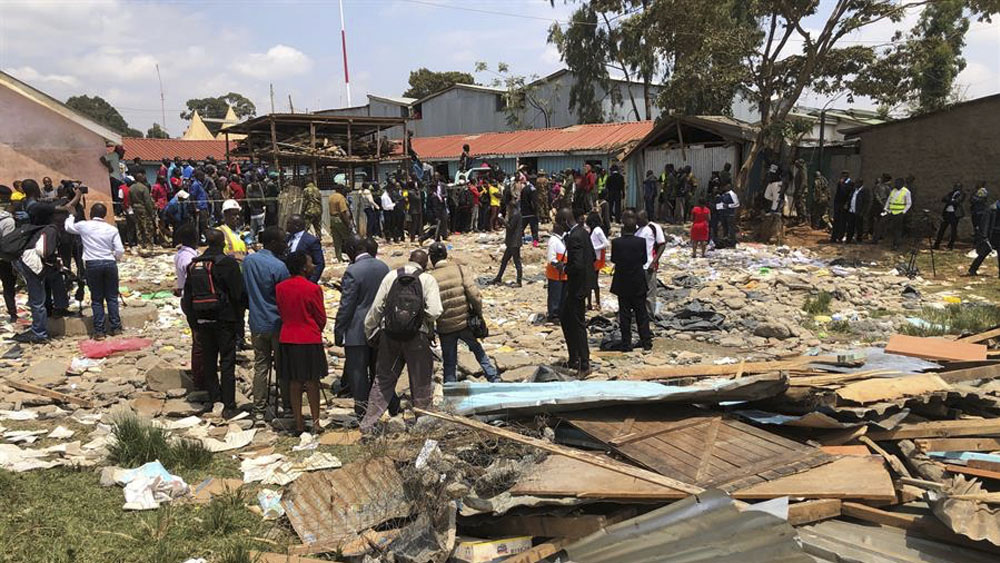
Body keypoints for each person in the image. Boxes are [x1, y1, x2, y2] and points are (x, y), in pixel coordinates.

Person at [361, 249, 443, 434]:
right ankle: (423, 425)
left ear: (409, 260)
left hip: (390, 336)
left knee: (383, 380)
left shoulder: (391, 276)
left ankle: (368, 425)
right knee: (421, 381)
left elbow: (377, 307)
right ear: (425, 264)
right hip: (418, 338)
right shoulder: (427, 279)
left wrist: (369, 330)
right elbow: (436, 311)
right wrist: (419, 317)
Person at [181, 229, 244, 414]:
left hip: (202, 320)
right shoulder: (227, 264)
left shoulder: (194, 265)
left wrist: (193, 324)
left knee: (209, 361)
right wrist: (239, 319)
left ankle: (212, 398)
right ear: (223, 243)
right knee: (227, 361)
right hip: (225, 319)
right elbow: (237, 293)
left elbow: (188, 297)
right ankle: (229, 405)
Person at [10, 186, 82, 343]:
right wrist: (76, 196)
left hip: (35, 259)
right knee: (38, 299)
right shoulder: (50, 228)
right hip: (33, 262)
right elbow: (43, 251)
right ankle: (39, 333)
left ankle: (59, 309)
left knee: (55, 280)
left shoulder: (32, 212)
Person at [335, 236, 394, 420]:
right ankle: (388, 404)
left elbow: (347, 304)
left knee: (358, 372)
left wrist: (339, 329)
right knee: (379, 370)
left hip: (357, 328)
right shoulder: (383, 267)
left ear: (353, 250)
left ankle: (362, 411)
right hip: (380, 326)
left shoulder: (353, 271)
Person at [428, 242, 499, 384]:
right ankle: (493, 377)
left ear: (432, 258)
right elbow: (475, 296)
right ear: (446, 255)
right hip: (464, 322)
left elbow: (430, 308)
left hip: (445, 327)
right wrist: (479, 314)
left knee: (449, 362)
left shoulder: (430, 278)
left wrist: (430, 331)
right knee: (478, 350)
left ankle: (451, 390)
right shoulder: (459, 270)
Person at [274, 251, 327, 435]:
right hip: (309, 338)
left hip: (288, 337)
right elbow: (321, 317)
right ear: (304, 267)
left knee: (294, 382)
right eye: (311, 262)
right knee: (312, 381)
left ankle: (298, 423)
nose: (313, 266)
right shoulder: (312, 288)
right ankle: (316, 421)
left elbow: (281, 311)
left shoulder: (280, 287)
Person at [243, 226, 290, 423]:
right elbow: (285, 297)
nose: (285, 245)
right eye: (282, 241)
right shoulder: (279, 267)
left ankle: (259, 409)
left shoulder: (249, 261)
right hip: (277, 322)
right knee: (283, 367)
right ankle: (288, 406)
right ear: (272, 243)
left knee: (261, 366)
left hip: (256, 322)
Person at [64, 203, 124, 340]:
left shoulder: (84, 225)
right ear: (104, 214)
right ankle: (116, 328)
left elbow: (68, 227)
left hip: (92, 264)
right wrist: (114, 258)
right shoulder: (111, 229)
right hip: (109, 263)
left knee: (97, 299)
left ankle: (99, 331)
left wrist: (71, 215)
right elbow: (120, 250)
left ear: (91, 213)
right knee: (112, 297)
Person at [561, 208, 596, 376]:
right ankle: (574, 357)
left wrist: (564, 268)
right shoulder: (583, 232)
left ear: (566, 221)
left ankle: (584, 363)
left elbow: (578, 264)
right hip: (584, 284)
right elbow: (592, 258)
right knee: (565, 316)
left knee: (577, 323)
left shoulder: (574, 237)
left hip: (577, 286)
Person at [611, 211, 653, 352]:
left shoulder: (616, 243)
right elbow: (644, 260)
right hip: (638, 282)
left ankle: (626, 344)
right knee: (641, 313)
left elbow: (614, 260)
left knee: (625, 315)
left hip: (622, 282)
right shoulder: (641, 242)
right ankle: (646, 342)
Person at [636, 210, 666, 318]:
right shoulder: (637, 229)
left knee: (650, 292)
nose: (637, 222)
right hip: (638, 266)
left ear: (645, 218)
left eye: (639, 220)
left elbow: (662, 245)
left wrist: (654, 262)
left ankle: (649, 316)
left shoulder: (654, 227)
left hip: (649, 265)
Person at [491, 196, 523, 286]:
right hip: (512, 242)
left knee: (517, 261)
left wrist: (502, 220)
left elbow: (510, 227)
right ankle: (498, 277)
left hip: (514, 242)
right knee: (504, 260)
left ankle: (519, 281)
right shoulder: (516, 214)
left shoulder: (516, 215)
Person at [286, 214, 325, 283]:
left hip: (303, 280)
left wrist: (311, 281)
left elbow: (320, 263)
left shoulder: (311, 241)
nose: (286, 225)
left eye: (289, 223)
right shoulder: (287, 238)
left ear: (297, 225)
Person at [968, 200, 1000, 277]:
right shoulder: (991, 209)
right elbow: (985, 224)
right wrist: (984, 236)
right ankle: (973, 269)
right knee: (983, 253)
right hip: (991, 235)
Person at [0, 186, 17, 322]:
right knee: (8, 286)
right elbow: (9, 244)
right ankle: (12, 313)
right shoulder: (8, 220)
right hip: (4, 259)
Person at [545, 221, 568, 322]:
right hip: (555, 273)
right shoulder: (553, 240)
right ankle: (553, 315)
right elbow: (551, 258)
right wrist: (559, 264)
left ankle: (560, 313)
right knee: (555, 295)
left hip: (562, 273)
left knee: (562, 295)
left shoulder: (563, 239)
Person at [934, 182, 966, 250]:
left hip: (955, 214)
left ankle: (950, 245)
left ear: (960, 187)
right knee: (942, 229)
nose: (955, 187)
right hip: (947, 213)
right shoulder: (950, 193)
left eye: (957, 186)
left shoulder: (962, 194)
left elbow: (957, 201)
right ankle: (937, 244)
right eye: (955, 186)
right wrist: (951, 200)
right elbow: (943, 199)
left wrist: (949, 200)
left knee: (953, 230)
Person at [883, 178, 912, 251]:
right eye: (895, 183)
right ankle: (876, 240)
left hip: (899, 213)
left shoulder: (906, 192)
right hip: (890, 211)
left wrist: (904, 211)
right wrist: (886, 208)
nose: (895, 184)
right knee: (882, 224)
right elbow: (889, 200)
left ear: (902, 184)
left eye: (897, 183)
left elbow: (908, 203)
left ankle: (896, 244)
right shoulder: (893, 191)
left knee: (897, 229)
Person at [587, 212, 608, 311]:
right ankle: (589, 303)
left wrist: (594, 248)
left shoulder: (597, 230)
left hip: (596, 259)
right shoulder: (592, 230)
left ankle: (597, 303)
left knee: (594, 282)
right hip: (591, 258)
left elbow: (606, 243)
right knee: (589, 281)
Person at [129, 172, 156, 249]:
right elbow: (147, 201)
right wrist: (151, 212)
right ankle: (149, 244)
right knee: (147, 226)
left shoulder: (131, 188)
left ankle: (140, 243)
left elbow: (130, 200)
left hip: (135, 208)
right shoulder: (144, 188)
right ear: (140, 178)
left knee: (138, 226)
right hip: (143, 209)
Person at [328, 185, 352, 262]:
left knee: (336, 240)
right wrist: (348, 223)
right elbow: (343, 212)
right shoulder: (341, 198)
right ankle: (352, 256)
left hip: (332, 219)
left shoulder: (331, 197)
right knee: (348, 238)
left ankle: (339, 258)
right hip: (340, 219)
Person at [762, 171, 785, 244]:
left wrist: (774, 207)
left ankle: (774, 236)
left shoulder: (776, 184)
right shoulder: (774, 184)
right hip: (775, 204)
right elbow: (768, 196)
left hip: (776, 206)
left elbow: (776, 198)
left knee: (776, 218)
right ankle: (772, 235)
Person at [846, 179, 872, 244]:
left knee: (859, 227)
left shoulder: (865, 191)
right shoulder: (854, 190)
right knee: (850, 226)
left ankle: (859, 239)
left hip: (859, 212)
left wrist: (863, 212)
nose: (855, 185)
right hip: (851, 210)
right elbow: (850, 198)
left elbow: (867, 202)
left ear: (861, 183)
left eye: (857, 183)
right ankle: (848, 239)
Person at [830, 170, 853, 243]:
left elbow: (846, 194)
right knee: (836, 221)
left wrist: (841, 184)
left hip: (844, 205)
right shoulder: (840, 183)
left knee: (842, 222)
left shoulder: (850, 184)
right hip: (838, 204)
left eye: (844, 175)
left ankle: (840, 237)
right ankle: (834, 237)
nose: (842, 177)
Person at [871, 173, 893, 243]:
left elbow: (886, 198)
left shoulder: (887, 187)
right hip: (879, 206)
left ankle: (876, 238)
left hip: (882, 207)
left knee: (880, 223)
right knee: (878, 222)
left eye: (883, 177)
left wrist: (884, 206)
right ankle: (877, 237)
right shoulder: (880, 186)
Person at [717, 182, 740, 247]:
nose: (724, 187)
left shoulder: (732, 194)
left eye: (726, 186)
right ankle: (725, 241)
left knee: (731, 228)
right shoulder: (724, 194)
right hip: (723, 214)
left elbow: (737, 204)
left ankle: (732, 242)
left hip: (729, 214)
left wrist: (728, 205)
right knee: (725, 228)